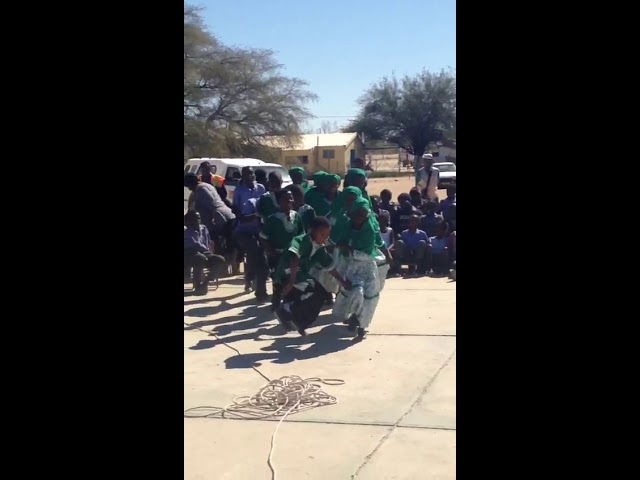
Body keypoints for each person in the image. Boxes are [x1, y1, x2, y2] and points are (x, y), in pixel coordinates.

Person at [273, 216, 349, 336]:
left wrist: (343, 282)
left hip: (301, 275)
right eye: (322, 234)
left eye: (327, 236)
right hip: (287, 273)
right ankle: (287, 310)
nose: (324, 239)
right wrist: (291, 282)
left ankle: (299, 322)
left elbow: (330, 267)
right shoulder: (301, 240)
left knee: (321, 296)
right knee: (317, 292)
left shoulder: (319, 248)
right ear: (313, 231)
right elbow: (294, 258)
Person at [333, 198, 390, 341]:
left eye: (362, 214)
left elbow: (369, 252)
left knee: (369, 299)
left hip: (368, 268)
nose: (359, 217)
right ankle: (354, 316)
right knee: (356, 293)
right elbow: (341, 243)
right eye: (356, 214)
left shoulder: (369, 230)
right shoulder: (347, 226)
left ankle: (361, 326)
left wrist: (350, 249)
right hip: (353, 268)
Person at [259, 189, 302, 309]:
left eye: (290, 198)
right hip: (277, 255)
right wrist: (271, 251)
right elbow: (263, 237)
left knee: (292, 280)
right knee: (277, 280)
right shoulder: (273, 219)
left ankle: (290, 305)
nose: (289, 201)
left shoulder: (296, 216)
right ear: (279, 201)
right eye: (285, 199)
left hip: (292, 255)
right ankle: (276, 304)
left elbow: (301, 234)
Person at [184, 211, 226, 295]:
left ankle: (205, 283)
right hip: (189, 254)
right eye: (194, 219)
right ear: (188, 221)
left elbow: (208, 242)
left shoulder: (203, 228)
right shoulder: (186, 231)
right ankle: (197, 286)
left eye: (199, 218)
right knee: (200, 258)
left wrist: (209, 251)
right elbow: (192, 245)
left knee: (220, 260)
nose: (198, 220)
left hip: (204, 253)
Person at [184, 173, 235, 239]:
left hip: (220, 218)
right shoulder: (206, 186)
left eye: (189, 185)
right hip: (226, 215)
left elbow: (211, 204)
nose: (189, 188)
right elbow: (192, 209)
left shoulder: (200, 189)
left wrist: (211, 221)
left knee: (216, 240)